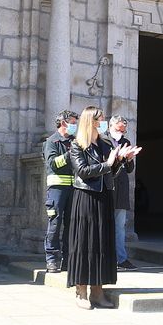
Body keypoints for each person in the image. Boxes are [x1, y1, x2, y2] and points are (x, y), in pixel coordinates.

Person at [66, 107, 141, 308]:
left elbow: (111, 172)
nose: (102, 123)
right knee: (85, 244)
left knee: (101, 244)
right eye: (99, 120)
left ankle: (97, 292)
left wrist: (123, 160)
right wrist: (109, 164)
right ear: (90, 121)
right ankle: (81, 292)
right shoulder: (77, 145)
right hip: (86, 198)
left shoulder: (104, 144)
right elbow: (82, 171)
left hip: (105, 197)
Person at [42, 110, 78, 273]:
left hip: (74, 189)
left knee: (71, 225)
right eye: (72, 122)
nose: (74, 125)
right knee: (55, 224)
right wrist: (70, 154)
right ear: (63, 123)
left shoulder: (75, 141)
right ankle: (52, 260)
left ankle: (68, 259)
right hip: (56, 190)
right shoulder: (51, 141)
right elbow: (53, 164)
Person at [109, 115, 138, 270]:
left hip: (121, 189)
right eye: (119, 128)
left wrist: (129, 158)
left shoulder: (125, 142)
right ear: (111, 125)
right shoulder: (103, 140)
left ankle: (121, 258)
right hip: (106, 187)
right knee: (103, 225)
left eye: (124, 129)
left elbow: (129, 169)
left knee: (120, 226)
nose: (122, 131)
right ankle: (105, 257)